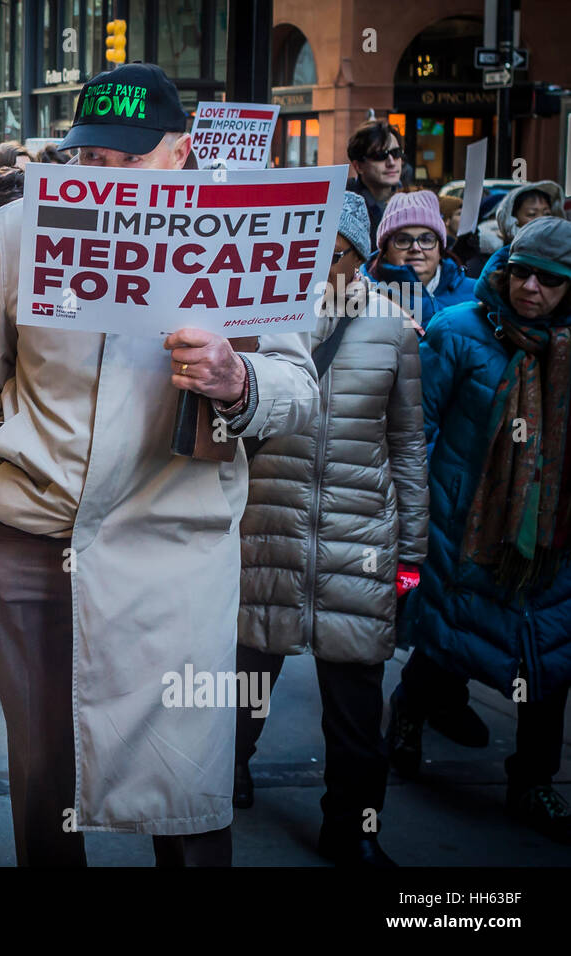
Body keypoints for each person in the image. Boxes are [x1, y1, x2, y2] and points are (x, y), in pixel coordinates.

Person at [0, 62, 320, 867]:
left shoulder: (241, 233)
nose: (103, 177)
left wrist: (238, 379)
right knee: (45, 789)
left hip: (174, 558)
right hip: (38, 550)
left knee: (187, 797)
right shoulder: (16, 233)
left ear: (180, 151)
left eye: (129, 159)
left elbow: (300, 390)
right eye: (91, 158)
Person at [235, 192, 429, 867]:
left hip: (360, 543)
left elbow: (406, 444)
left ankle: (353, 828)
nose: (318, 268)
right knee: (244, 681)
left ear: (361, 254)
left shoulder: (393, 328)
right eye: (306, 253)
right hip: (270, 525)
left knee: (354, 717)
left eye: (334, 254)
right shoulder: (263, 314)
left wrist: (411, 549)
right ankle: (228, 770)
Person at [389, 217, 571, 846]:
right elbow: (415, 425)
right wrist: (417, 511)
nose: (530, 288)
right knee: (451, 638)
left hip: (552, 534)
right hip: (462, 521)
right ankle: (408, 716)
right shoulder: (459, 329)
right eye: (521, 271)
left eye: (550, 280)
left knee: (547, 659)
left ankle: (532, 781)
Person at [361, 190, 472, 334]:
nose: (415, 248)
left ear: (440, 248)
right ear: (385, 250)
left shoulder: (474, 294)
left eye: (426, 240)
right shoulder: (364, 299)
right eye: (403, 240)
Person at [346, 119, 404, 244]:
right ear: (358, 166)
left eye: (396, 153)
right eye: (380, 156)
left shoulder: (412, 201)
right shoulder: (342, 203)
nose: (391, 162)